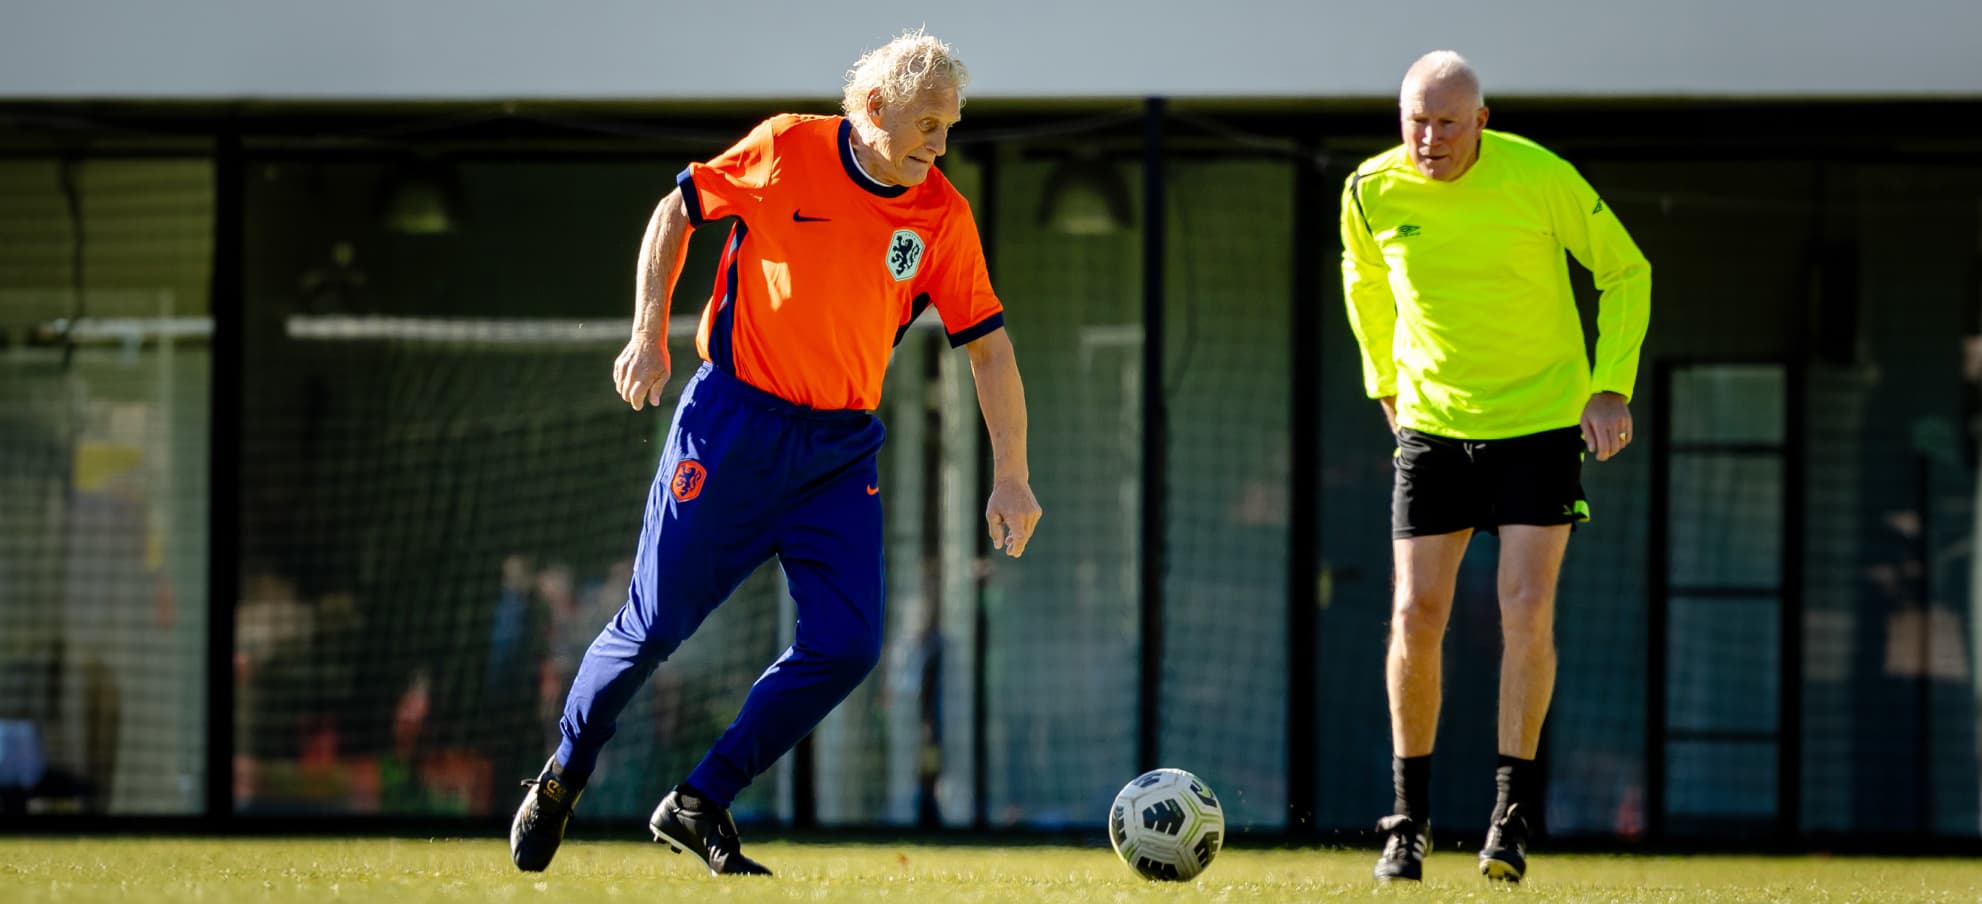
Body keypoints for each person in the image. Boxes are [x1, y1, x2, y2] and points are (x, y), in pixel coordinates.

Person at [509, 28, 1042, 876]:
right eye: (929, 125)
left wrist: (1011, 475)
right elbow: (674, 212)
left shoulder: (942, 213)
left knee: (849, 644)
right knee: (653, 629)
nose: (942, 145)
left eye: (951, 127)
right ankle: (565, 773)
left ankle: (700, 798)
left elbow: (989, 347)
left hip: (837, 453)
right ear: (873, 110)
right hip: (732, 427)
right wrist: (649, 333)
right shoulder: (787, 147)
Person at [1339, 50, 1651, 884]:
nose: (1429, 138)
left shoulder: (1539, 176)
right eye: (1415, 120)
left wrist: (1609, 386)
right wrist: (1385, 383)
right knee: (1415, 615)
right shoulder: (1371, 190)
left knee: (1525, 608)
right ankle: (1406, 823)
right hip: (1434, 429)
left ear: (1481, 121)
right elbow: (1363, 280)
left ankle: (1508, 821)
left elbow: (1626, 271)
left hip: (1540, 425)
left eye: (1446, 122)